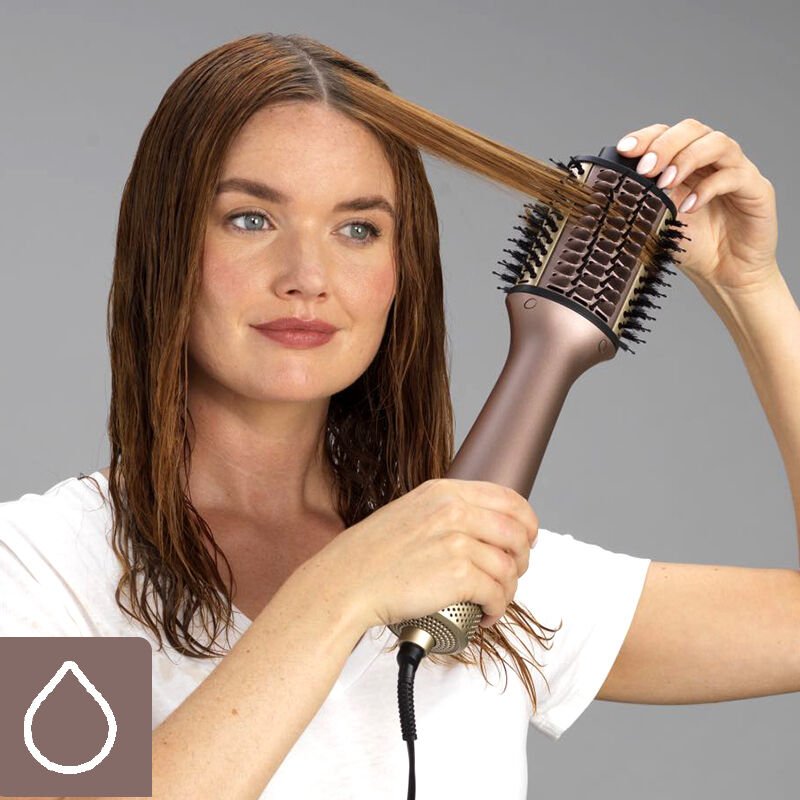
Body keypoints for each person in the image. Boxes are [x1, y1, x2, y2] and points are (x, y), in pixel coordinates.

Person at [1, 32, 797, 800]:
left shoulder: (478, 572)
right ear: (163, 243)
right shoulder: (47, 569)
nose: (307, 275)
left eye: (358, 229)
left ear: (398, 272)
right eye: (250, 217)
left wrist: (750, 291)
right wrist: (342, 587)